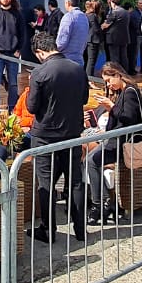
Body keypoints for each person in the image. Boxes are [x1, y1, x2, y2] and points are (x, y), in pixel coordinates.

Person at [24, 31, 90, 243]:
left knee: (46, 184)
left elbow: (32, 107)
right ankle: (80, 229)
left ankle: (48, 229)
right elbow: (84, 98)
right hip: (72, 132)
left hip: (46, 135)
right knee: (76, 181)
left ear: (40, 52)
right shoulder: (78, 68)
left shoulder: (39, 72)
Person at [84, 62, 142, 224]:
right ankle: (104, 203)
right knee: (90, 159)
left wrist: (111, 106)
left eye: (109, 80)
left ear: (118, 75)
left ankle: (101, 204)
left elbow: (129, 117)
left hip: (125, 141)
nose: (108, 84)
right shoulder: (121, 92)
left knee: (92, 160)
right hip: (116, 138)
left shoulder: (130, 92)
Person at [55, 0, 90, 65]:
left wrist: (54, 51)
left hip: (66, 60)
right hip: (79, 59)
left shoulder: (68, 16)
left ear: (68, 3)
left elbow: (62, 41)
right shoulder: (84, 17)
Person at [103, 0, 133, 75]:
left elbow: (106, 25)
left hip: (113, 38)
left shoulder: (114, 12)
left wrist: (102, 26)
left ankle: (115, 74)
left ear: (113, 3)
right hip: (124, 37)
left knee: (114, 57)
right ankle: (124, 73)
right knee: (124, 57)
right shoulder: (126, 12)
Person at [83, 0, 106, 77]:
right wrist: (102, 27)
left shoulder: (86, 14)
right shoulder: (93, 16)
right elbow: (95, 29)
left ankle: (86, 78)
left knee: (87, 60)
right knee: (91, 61)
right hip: (93, 41)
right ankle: (89, 80)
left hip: (87, 40)